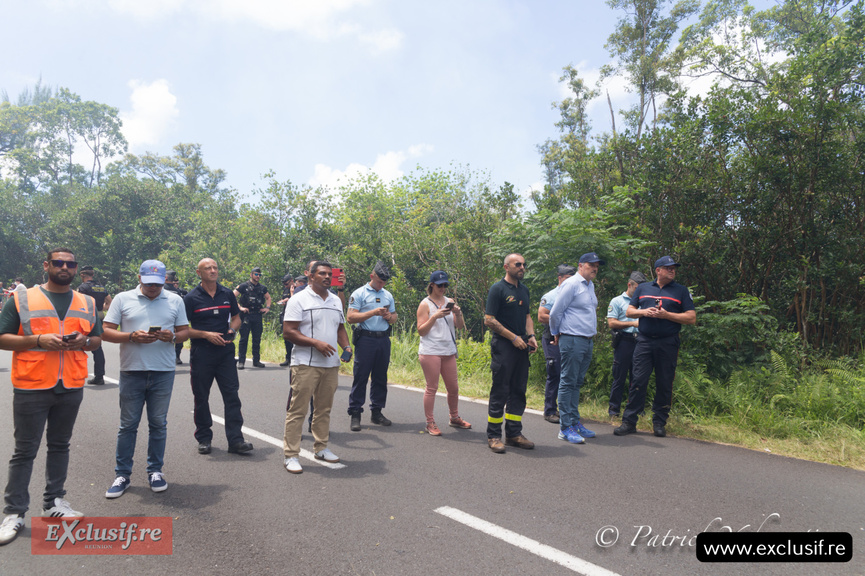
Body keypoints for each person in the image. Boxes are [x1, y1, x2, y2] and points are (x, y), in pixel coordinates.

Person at [0, 248, 102, 546]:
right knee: (25, 450)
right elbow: (2, 338)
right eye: (58, 263)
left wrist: (85, 341)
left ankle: (54, 502)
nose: (64, 267)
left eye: (70, 264)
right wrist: (38, 340)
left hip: (70, 384)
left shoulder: (87, 302)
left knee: (60, 445)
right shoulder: (21, 298)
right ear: (46, 265)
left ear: (76, 269)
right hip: (32, 384)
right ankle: (14, 512)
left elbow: (97, 340)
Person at [101, 260, 189, 499]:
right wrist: (131, 336)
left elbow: (185, 331)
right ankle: (122, 474)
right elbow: (105, 331)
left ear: (164, 281)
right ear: (139, 278)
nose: (153, 288)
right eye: (149, 283)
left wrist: (172, 337)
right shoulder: (123, 299)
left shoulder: (175, 300)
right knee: (128, 425)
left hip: (163, 371)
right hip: (132, 370)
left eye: (158, 284)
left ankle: (155, 471)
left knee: (158, 424)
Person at [615, 256, 696, 438]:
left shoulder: (681, 291)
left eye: (674, 268)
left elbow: (691, 317)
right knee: (638, 380)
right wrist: (644, 312)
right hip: (644, 341)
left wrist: (667, 315)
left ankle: (659, 422)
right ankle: (629, 421)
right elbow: (629, 311)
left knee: (665, 382)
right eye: (668, 268)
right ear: (658, 270)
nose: (672, 270)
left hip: (668, 342)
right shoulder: (643, 288)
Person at [282, 261, 351, 474]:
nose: (327, 277)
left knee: (323, 409)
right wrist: (315, 343)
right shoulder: (298, 299)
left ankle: (321, 447)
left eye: (329, 274)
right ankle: (291, 455)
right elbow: (289, 331)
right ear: (311, 276)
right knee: (298, 410)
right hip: (305, 363)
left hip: (330, 364)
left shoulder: (335, 300)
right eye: (322, 273)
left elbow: (340, 328)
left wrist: (347, 347)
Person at [184, 258, 253, 455]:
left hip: (225, 353)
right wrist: (205, 335)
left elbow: (236, 317)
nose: (213, 271)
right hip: (202, 353)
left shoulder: (227, 293)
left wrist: (232, 330)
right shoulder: (191, 298)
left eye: (215, 267)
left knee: (232, 396)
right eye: (208, 268)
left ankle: (236, 440)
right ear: (199, 273)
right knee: (201, 397)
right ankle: (204, 438)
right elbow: (182, 329)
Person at [483, 253, 537, 453]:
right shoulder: (497, 289)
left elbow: (528, 316)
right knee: (500, 391)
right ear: (506, 267)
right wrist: (513, 337)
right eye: (518, 264)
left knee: (518, 391)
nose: (522, 267)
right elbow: (489, 319)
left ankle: (514, 434)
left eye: (524, 264)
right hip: (504, 346)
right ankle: (494, 436)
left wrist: (531, 335)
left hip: (522, 346)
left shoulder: (524, 290)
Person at [549, 253, 605, 444]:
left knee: (577, 382)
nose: (595, 268)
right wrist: (556, 333)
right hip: (572, 339)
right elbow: (555, 312)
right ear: (580, 266)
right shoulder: (571, 284)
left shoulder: (590, 285)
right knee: (568, 382)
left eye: (597, 265)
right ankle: (565, 428)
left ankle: (574, 422)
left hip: (587, 340)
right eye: (591, 265)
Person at [416, 270, 471, 436]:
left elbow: (459, 326)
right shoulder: (425, 304)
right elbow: (421, 331)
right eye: (440, 285)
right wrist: (435, 317)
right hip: (431, 350)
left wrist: (458, 313)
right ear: (432, 285)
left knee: (453, 387)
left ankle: (454, 417)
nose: (443, 288)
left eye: (445, 285)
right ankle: (430, 422)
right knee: (432, 388)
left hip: (448, 350)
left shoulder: (449, 301)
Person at [346, 261, 398, 431]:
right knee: (361, 376)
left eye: (384, 282)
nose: (381, 285)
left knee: (380, 377)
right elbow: (350, 317)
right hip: (366, 339)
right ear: (371, 276)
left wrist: (389, 317)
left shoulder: (387, 295)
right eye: (379, 281)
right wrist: (373, 312)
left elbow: (395, 316)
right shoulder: (359, 293)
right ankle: (355, 412)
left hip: (383, 338)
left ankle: (377, 411)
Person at [537, 264, 577, 424]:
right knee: (555, 373)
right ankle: (550, 410)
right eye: (567, 278)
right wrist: (562, 318)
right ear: (559, 278)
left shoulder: (575, 295)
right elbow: (541, 316)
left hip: (570, 338)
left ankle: (565, 409)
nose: (570, 282)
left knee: (568, 375)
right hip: (552, 339)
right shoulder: (551, 295)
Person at [606, 271, 647, 420]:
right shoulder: (617, 301)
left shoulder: (644, 302)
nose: (640, 292)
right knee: (619, 376)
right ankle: (614, 410)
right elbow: (611, 323)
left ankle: (637, 410)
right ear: (630, 285)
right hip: (624, 341)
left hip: (641, 341)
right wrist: (632, 323)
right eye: (637, 288)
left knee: (639, 377)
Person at [77, 265, 113, 385]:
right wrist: (101, 309)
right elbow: (110, 302)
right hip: (99, 316)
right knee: (97, 347)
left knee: (77, 343)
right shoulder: (101, 287)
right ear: (92, 275)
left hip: (86, 317)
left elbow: (77, 303)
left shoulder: (83, 288)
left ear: (82, 275)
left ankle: (75, 375)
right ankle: (99, 376)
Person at [234, 267, 271, 369]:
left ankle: (256, 361)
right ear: (251, 275)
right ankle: (241, 361)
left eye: (259, 275)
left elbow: (268, 297)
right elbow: (232, 296)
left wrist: (267, 308)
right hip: (246, 315)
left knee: (257, 339)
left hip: (257, 315)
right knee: (244, 339)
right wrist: (240, 307)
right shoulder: (243, 286)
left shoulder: (262, 288)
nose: (258, 276)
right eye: (256, 274)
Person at [163, 270, 188, 365]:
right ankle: (176, 356)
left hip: (165, 318)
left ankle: (171, 357)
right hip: (176, 317)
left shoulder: (160, 289)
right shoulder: (177, 291)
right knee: (178, 336)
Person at [276, 274, 295, 367]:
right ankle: (288, 358)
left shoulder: (296, 289)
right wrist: (283, 301)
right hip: (286, 315)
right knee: (286, 338)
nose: (285, 285)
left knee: (294, 339)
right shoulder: (286, 289)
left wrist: (290, 296)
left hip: (294, 317)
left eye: (286, 283)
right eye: (284, 284)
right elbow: (284, 299)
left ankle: (294, 358)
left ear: (291, 280)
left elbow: (296, 300)